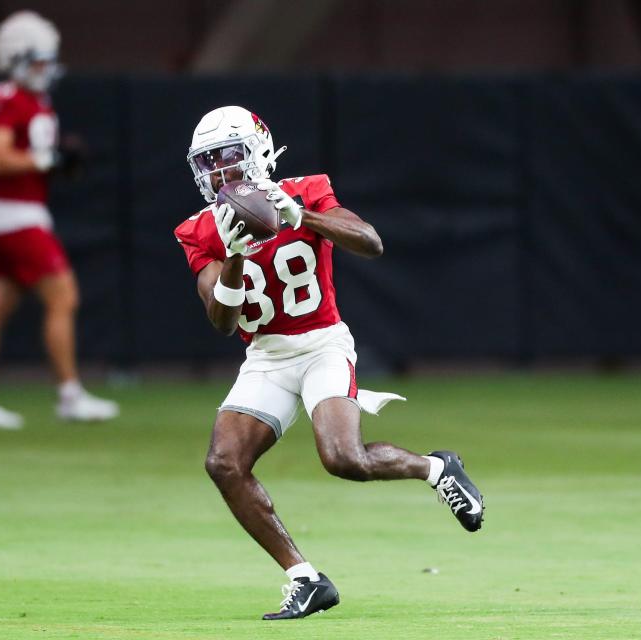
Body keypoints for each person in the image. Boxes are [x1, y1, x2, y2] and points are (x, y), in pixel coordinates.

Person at [174, 106, 484, 620]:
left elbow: (372, 242)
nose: (220, 173)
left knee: (344, 458)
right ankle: (305, 578)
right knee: (224, 463)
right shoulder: (199, 229)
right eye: (208, 162)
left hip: (322, 344)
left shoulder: (306, 188)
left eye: (228, 157)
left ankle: (436, 467)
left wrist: (301, 216)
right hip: (267, 355)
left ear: (256, 149)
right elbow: (222, 322)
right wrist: (231, 255)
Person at [0, 11, 118, 429]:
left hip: (14, 216)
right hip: (16, 217)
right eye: (38, 61)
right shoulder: (2, 97)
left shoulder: (35, 101)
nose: (45, 69)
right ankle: (69, 394)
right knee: (63, 297)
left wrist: (53, 158)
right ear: (17, 59)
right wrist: (47, 158)